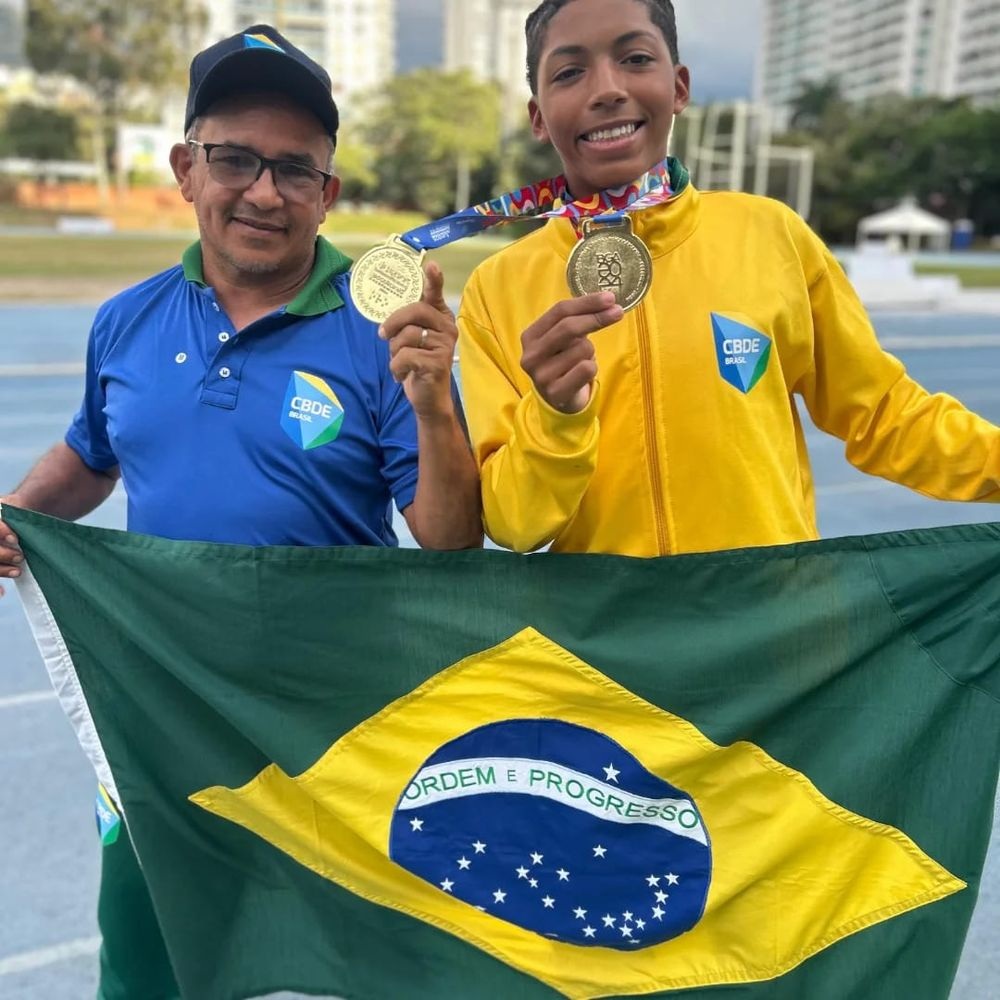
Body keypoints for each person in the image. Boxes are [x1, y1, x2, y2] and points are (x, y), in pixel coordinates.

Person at [0, 24, 481, 999]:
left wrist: (432, 404)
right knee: (149, 962)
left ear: (328, 193)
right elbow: (94, 455)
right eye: (235, 159)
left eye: (295, 169)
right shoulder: (126, 320)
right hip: (159, 713)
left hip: (334, 726)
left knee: (356, 968)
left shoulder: (378, 328)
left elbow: (449, 538)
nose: (264, 191)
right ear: (186, 168)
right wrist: (16, 511)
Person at [456, 0, 999, 558]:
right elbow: (513, 524)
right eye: (569, 72)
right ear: (539, 117)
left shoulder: (771, 236)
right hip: (601, 635)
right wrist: (556, 416)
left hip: (768, 620)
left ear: (680, 87)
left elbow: (883, 414)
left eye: (636, 58)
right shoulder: (496, 290)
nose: (607, 89)